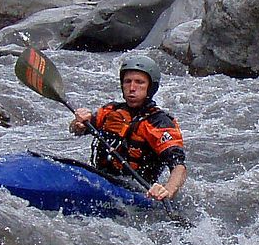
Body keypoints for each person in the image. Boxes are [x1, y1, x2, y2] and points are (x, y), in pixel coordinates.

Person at [69, 53, 187, 201]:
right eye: (127, 81)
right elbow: (76, 130)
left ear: (150, 87)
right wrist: (78, 122)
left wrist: (168, 191)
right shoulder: (110, 111)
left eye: (139, 82)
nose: (132, 88)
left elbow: (179, 166)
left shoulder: (159, 123)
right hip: (102, 179)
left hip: (135, 191)